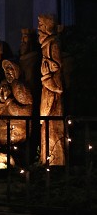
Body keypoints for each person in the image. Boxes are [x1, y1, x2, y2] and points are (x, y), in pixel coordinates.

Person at [38, 14, 65, 166]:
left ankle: (55, 161)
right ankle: (46, 159)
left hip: (53, 94)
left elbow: (58, 84)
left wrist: (47, 76)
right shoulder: (46, 44)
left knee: (53, 128)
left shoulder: (53, 44)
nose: (39, 28)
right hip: (47, 90)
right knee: (45, 128)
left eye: (41, 25)